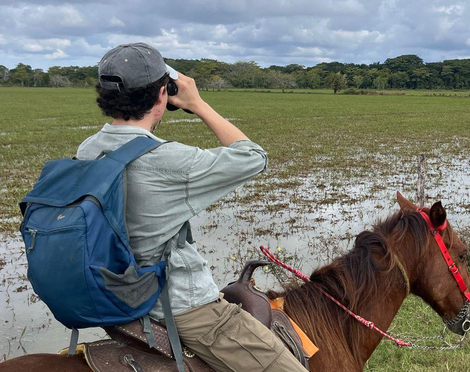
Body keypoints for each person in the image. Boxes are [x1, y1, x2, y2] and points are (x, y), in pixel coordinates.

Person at [77, 43, 305, 372]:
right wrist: (197, 104)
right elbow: (253, 157)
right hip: (183, 307)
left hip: (118, 298)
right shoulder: (167, 159)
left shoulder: (88, 149)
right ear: (163, 94)